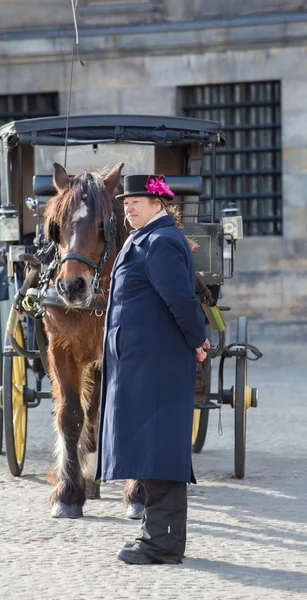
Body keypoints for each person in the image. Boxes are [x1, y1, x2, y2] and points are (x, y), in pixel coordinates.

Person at [95, 173, 210, 565]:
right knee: (148, 447)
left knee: (159, 449)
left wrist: (198, 339)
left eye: (137, 201)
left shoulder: (160, 241)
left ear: (158, 204)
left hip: (155, 365)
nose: (128, 207)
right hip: (143, 364)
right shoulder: (145, 237)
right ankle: (155, 535)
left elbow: (181, 299)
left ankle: (161, 544)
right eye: (126, 202)